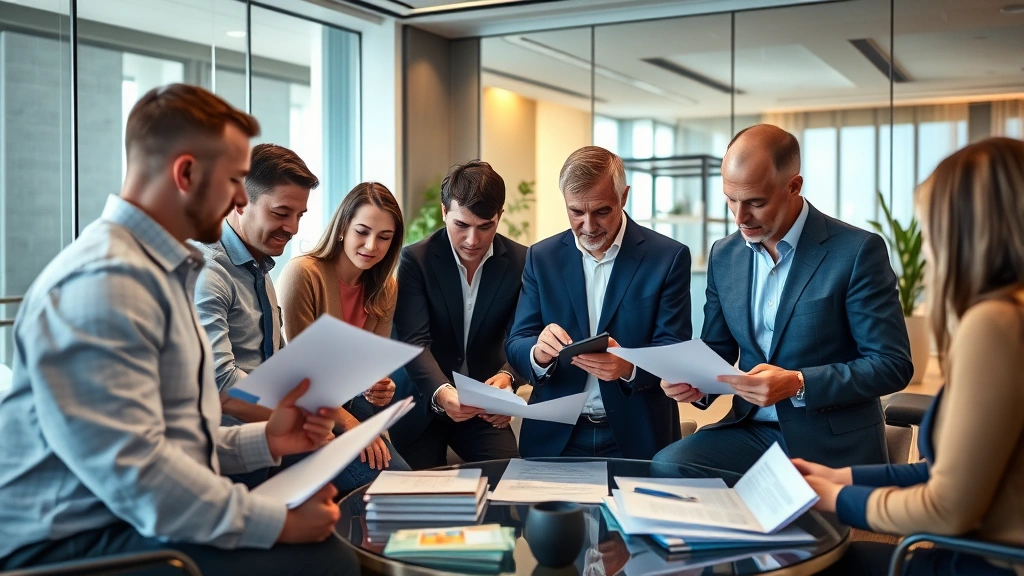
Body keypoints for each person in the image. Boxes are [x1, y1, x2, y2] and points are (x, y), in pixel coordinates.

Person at [0, 84, 359, 575]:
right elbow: (140, 475)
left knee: (328, 549)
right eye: (234, 179)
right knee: (324, 561)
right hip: (69, 543)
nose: (239, 197)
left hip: (121, 517)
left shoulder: (158, 272)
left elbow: (175, 441)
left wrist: (266, 440)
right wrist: (276, 522)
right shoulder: (104, 286)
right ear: (186, 172)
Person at [796, 137, 1024, 576]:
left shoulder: (995, 324)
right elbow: (943, 473)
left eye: (930, 228)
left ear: (964, 232)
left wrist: (831, 499)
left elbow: (946, 509)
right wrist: (838, 479)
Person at [651, 124, 913, 480]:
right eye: (730, 199)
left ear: (794, 186)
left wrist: (798, 382)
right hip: (750, 431)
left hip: (830, 444)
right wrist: (692, 383)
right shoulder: (724, 255)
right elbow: (717, 350)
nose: (739, 217)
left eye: (755, 203)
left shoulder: (856, 251)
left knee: (789, 519)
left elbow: (892, 364)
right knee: (667, 468)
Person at [192, 144, 406, 490]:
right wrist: (306, 420)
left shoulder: (259, 270)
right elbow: (221, 384)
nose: (292, 228)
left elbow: (282, 364)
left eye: (300, 216)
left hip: (286, 422)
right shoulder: (210, 273)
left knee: (399, 480)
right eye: (281, 213)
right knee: (393, 485)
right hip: (239, 440)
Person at [505, 146, 692, 459]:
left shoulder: (668, 257)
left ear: (624, 197)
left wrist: (629, 366)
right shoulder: (541, 257)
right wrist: (538, 352)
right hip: (554, 435)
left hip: (639, 434)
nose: (588, 226)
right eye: (576, 212)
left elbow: (673, 348)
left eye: (601, 211)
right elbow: (517, 343)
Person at [391, 160, 526, 469]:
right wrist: (442, 393)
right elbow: (414, 340)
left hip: (483, 407)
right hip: (423, 402)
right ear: (443, 212)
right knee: (421, 493)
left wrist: (507, 379)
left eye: (485, 226)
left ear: (499, 217)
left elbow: (523, 334)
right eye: (461, 225)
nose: (472, 240)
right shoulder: (416, 259)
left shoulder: (521, 261)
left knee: (510, 476)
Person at [277, 181, 411, 476]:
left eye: (384, 237)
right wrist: (351, 425)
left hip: (354, 410)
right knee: (392, 482)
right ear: (342, 227)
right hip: (305, 414)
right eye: (362, 232)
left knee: (401, 481)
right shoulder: (302, 275)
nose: (371, 246)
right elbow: (299, 378)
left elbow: (369, 372)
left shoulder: (386, 288)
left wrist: (379, 388)